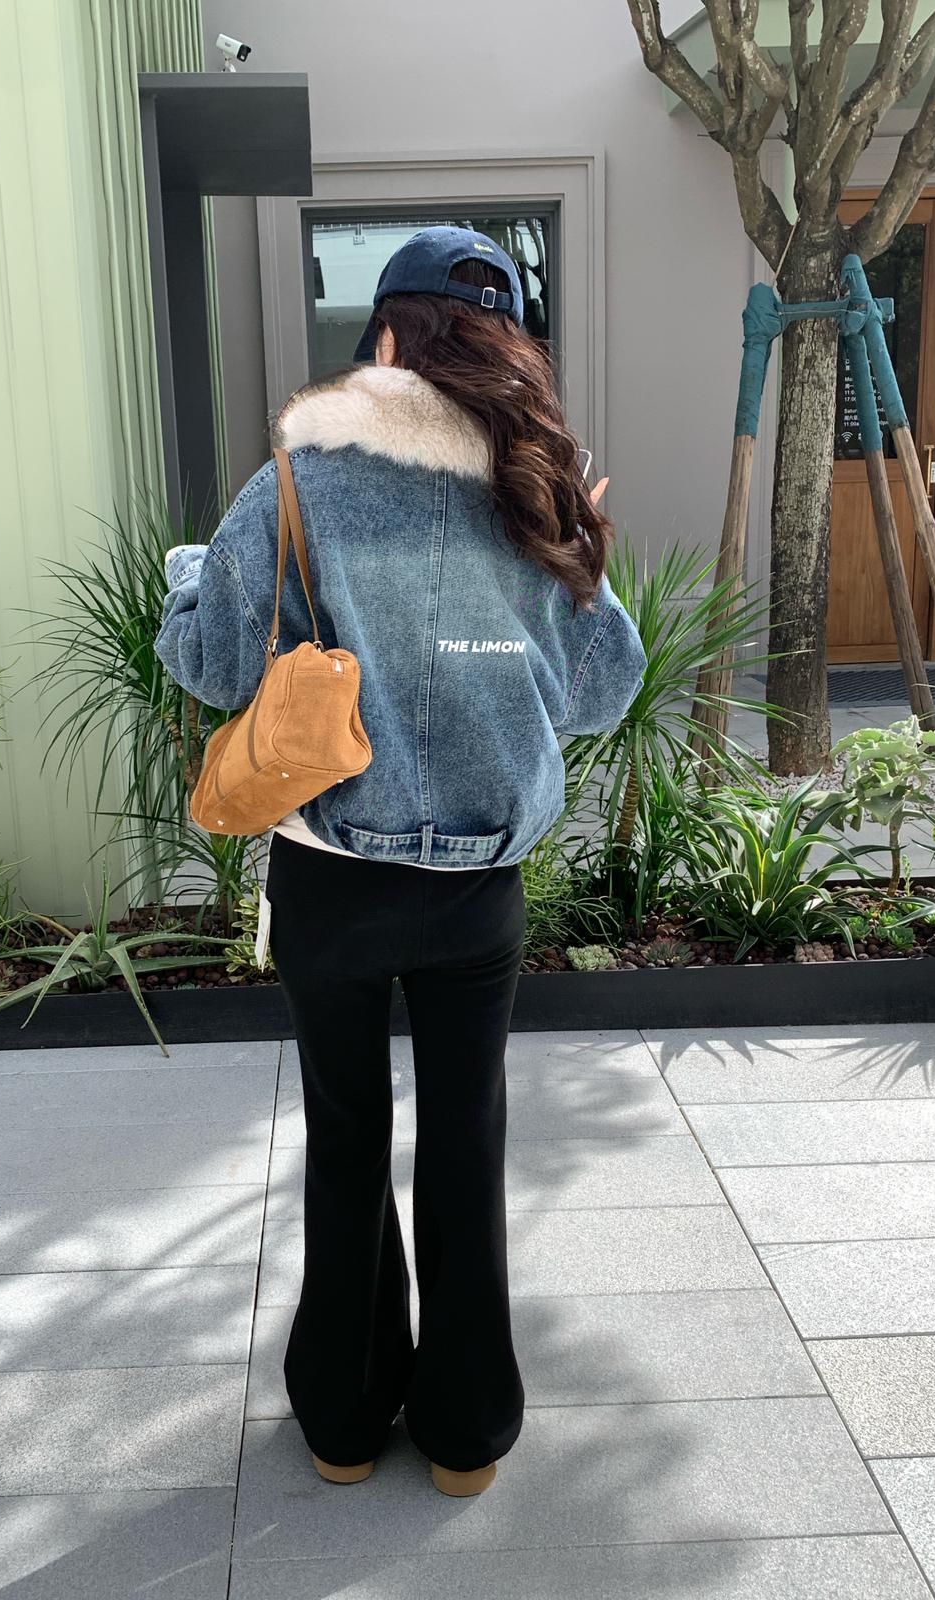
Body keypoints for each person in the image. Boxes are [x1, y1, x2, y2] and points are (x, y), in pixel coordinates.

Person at [155, 225, 646, 1498]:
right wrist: (577, 554)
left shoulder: (298, 474)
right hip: (478, 893)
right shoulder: (540, 483)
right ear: (506, 343)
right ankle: (467, 1432)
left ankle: (341, 1417)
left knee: (345, 1136)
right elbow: (603, 691)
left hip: (333, 878)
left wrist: (193, 576)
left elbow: (211, 664)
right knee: (467, 1142)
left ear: (384, 332)